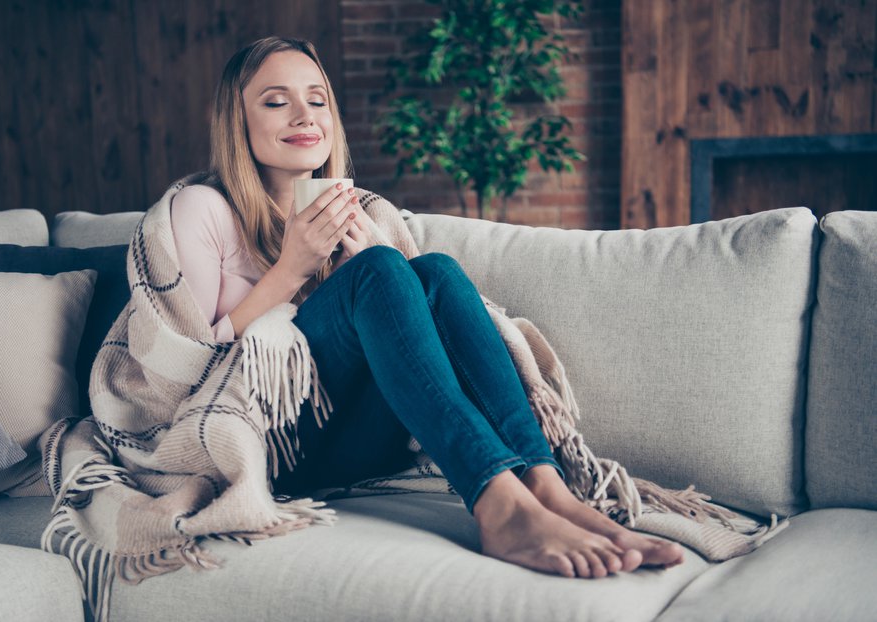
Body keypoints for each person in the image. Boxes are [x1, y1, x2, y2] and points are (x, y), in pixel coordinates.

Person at [169, 36, 684, 580]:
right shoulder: (203, 208)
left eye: (318, 100)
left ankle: (545, 486)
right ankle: (497, 504)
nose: (304, 115)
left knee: (430, 271)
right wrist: (292, 270)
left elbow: (409, 336)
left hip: (356, 445)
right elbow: (189, 368)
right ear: (236, 119)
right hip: (270, 450)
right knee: (383, 271)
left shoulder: (360, 210)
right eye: (276, 101)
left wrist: (373, 267)